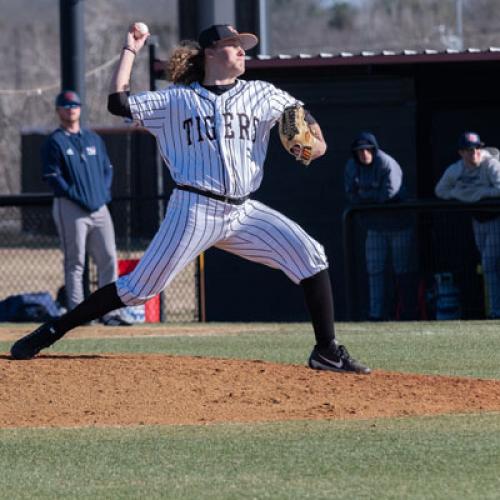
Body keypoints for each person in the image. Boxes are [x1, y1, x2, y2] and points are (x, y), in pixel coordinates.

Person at [11, 24, 370, 374]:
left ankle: (326, 351)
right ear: (210, 53)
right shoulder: (176, 100)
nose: (243, 49)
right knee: (139, 289)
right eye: (233, 44)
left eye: (243, 44)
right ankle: (53, 329)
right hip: (194, 209)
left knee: (311, 256)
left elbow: (305, 118)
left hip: (244, 210)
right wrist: (130, 51)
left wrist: (317, 146)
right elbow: (117, 103)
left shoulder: (263, 93)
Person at [41, 90, 130, 326]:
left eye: (75, 105)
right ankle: (78, 315)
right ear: (59, 110)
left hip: (99, 208)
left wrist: (103, 193)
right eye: (66, 106)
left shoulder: (92, 138)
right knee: (75, 262)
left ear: (80, 109)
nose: (71, 109)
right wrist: (72, 194)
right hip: (70, 207)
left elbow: (107, 169)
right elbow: (52, 176)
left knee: (109, 259)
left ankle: (110, 313)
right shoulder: (55, 141)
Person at [344, 132, 417, 320]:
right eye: (360, 151)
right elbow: (351, 194)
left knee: (401, 271)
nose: (364, 154)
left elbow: (389, 194)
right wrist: (371, 198)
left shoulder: (386, 163)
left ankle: (405, 313)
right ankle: (376, 314)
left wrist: (365, 198)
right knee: (374, 271)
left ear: (374, 150)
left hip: (399, 226)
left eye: (367, 150)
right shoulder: (352, 166)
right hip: (375, 228)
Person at [435, 131, 500, 318]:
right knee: (490, 266)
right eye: (468, 150)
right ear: (461, 152)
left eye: (476, 148)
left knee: (489, 265)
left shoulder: (491, 164)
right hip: (478, 221)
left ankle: (496, 312)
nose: (474, 153)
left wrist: (477, 193)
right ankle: (494, 309)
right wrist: (462, 194)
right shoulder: (457, 169)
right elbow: (441, 190)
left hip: (497, 221)